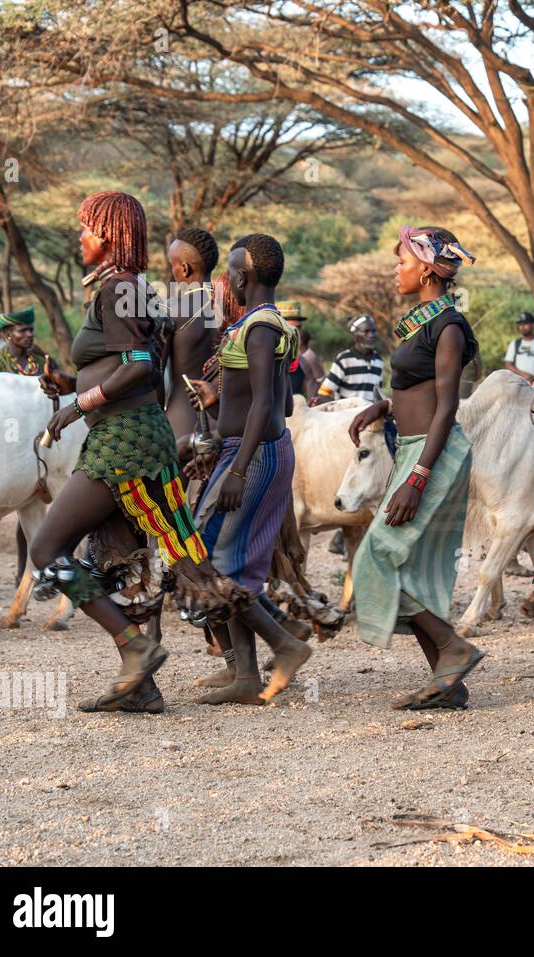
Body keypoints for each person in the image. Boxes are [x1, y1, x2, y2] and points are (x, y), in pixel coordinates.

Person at [32, 189, 245, 715]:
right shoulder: (131, 288)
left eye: (86, 228)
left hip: (123, 441)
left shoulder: (119, 288)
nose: (79, 237)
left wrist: (78, 404)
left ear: (108, 235)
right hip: (133, 433)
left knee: (47, 550)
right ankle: (143, 686)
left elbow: (138, 367)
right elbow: (127, 362)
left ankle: (137, 648)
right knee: (123, 558)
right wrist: (69, 382)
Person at [346, 226, 484, 710]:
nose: (395, 269)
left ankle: (454, 649)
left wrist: (418, 478)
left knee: (376, 556)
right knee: (405, 563)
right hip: (413, 446)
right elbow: (417, 388)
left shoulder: (448, 326)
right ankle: (448, 681)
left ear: (427, 270)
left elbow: (447, 406)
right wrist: (384, 406)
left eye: (401, 261)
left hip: (434, 453)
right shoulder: (422, 323)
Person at [185, 234, 314, 705]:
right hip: (256, 449)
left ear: (243, 276)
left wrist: (238, 470)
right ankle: (245, 674)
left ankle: (284, 641)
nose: (228, 278)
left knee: (204, 556)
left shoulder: (258, 327)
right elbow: (278, 400)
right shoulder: (270, 324)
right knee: (232, 561)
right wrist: (221, 397)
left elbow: (264, 404)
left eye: (232, 270)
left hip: (251, 454)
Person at [0, 307, 65, 599]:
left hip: (37, 444)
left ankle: (26, 573)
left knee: (29, 516)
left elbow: (60, 391)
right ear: (8, 334)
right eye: (22, 330)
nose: (29, 335)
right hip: (0, 444)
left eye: (31, 330)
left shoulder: (42, 362)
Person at [163, 227, 221, 463]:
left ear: (185, 268)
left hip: (180, 423)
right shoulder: (233, 308)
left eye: (173, 265)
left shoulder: (170, 310)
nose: (173, 271)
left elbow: (154, 377)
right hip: (225, 425)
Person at [312, 314, 383, 405]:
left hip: (371, 413)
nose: (371, 335)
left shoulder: (378, 360)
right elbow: (324, 392)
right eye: (366, 331)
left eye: (373, 331)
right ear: (355, 335)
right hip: (348, 413)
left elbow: (378, 395)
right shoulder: (344, 360)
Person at [503, 311, 534, 385]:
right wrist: (523, 374)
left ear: (533, 325)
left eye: (525, 323)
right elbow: (508, 364)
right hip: (518, 384)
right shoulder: (515, 344)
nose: (522, 327)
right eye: (520, 324)